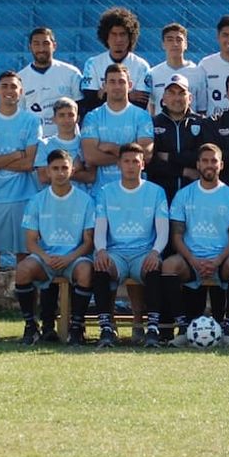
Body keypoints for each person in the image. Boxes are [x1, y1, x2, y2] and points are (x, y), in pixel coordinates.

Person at [0, 70, 42, 340]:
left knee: (25, 261)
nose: (9, 91)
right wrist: (16, 154)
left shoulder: (30, 120)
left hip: (24, 199)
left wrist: (0, 160)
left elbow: (29, 164)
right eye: (5, 86)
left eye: (14, 87)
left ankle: (30, 322)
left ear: (21, 91)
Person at [163, 144, 229, 348]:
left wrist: (217, 261)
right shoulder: (184, 195)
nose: (210, 165)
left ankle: (228, 330)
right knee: (169, 266)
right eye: (205, 161)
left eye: (214, 161)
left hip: (221, 259)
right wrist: (193, 260)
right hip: (191, 259)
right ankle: (183, 329)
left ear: (221, 165)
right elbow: (177, 236)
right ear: (198, 164)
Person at [92, 143, 170, 348]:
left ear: (143, 164)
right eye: (126, 161)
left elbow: (163, 230)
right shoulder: (105, 192)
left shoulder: (156, 192)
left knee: (154, 266)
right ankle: (106, 329)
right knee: (100, 265)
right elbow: (100, 227)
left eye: (135, 161)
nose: (130, 166)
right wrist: (101, 250)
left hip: (143, 252)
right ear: (118, 164)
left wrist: (155, 252)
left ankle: (152, 329)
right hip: (115, 253)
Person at [14, 150, 95, 345]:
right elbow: (30, 241)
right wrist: (45, 257)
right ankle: (31, 327)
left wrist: (68, 258)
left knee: (86, 271)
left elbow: (88, 242)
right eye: (55, 168)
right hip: (46, 258)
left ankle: (76, 329)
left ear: (72, 170)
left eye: (64, 168)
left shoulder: (85, 200)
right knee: (23, 270)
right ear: (47, 171)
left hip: (74, 258)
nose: (60, 173)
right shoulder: (37, 200)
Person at [81, 63, 154, 196]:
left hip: (135, 193)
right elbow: (90, 157)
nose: (117, 86)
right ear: (104, 86)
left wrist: (112, 148)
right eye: (112, 82)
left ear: (129, 85)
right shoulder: (93, 117)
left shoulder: (142, 116)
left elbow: (147, 154)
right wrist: (131, 158)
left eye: (121, 82)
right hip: (101, 193)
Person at [145, 73, 208, 203]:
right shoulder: (152, 124)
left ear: (190, 98)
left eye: (181, 93)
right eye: (172, 93)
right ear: (163, 98)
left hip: (195, 197)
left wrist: (169, 157)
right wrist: (184, 171)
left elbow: (202, 157)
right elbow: (151, 163)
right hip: (161, 196)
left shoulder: (203, 123)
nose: (177, 98)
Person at [80, 7, 151, 117]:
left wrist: (104, 93)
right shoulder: (92, 64)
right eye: (114, 34)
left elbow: (141, 104)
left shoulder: (142, 66)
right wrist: (128, 95)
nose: (118, 39)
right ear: (106, 36)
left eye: (123, 34)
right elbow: (90, 102)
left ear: (130, 37)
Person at [18, 27, 82, 137]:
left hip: (67, 139)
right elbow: (20, 114)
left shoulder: (71, 73)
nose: (41, 48)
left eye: (46, 43)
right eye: (36, 44)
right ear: (30, 47)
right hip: (35, 140)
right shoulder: (20, 78)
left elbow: (81, 107)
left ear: (54, 46)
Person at [146, 23, 207, 116]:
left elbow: (202, 109)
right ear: (163, 44)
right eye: (170, 40)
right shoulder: (153, 73)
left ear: (186, 44)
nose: (175, 44)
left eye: (179, 40)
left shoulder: (198, 72)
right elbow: (152, 106)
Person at [35, 97, 96, 191]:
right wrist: (76, 170)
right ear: (54, 119)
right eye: (61, 115)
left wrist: (56, 172)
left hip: (82, 196)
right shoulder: (45, 145)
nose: (66, 120)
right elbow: (44, 177)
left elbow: (91, 176)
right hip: (55, 197)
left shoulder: (86, 143)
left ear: (78, 118)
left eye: (71, 115)